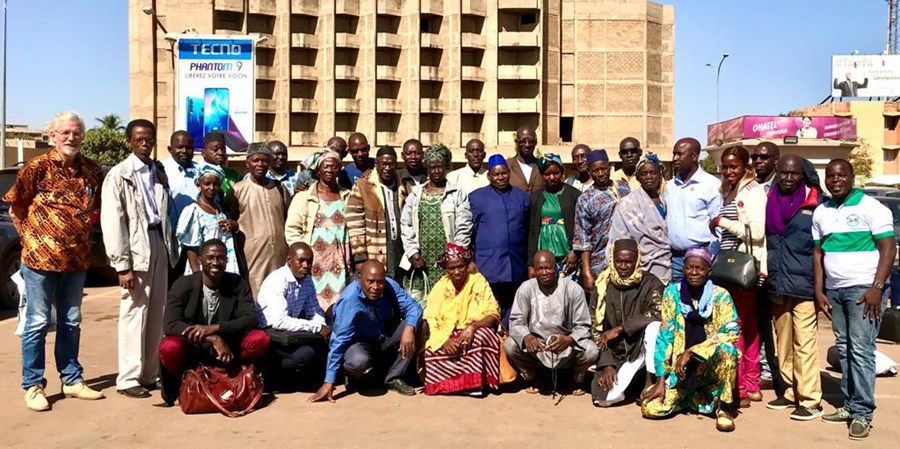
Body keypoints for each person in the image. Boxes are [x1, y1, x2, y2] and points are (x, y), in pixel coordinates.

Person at [5, 111, 105, 410]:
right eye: (64, 132)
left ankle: (72, 379)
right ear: (52, 136)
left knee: (71, 321)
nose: (71, 137)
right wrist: (32, 241)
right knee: (37, 323)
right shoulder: (35, 168)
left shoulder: (92, 170)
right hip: (39, 261)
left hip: (76, 260)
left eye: (76, 132)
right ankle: (33, 385)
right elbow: (16, 209)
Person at [813, 159, 896, 439]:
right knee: (845, 348)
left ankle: (862, 412)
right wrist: (819, 289)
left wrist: (877, 287)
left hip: (864, 290)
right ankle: (849, 405)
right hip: (835, 290)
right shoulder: (822, 212)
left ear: (852, 178)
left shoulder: (872, 208)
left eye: (841, 175)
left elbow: (888, 248)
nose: (835, 180)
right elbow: (818, 254)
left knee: (861, 350)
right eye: (831, 176)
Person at [102, 119, 179, 398]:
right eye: (139, 139)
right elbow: (114, 222)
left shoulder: (156, 171)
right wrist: (122, 265)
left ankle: (150, 373)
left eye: (150, 138)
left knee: (157, 311)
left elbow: (163, 209)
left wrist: (164, 184)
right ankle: (128, 378)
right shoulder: (119, 175)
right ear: (129, 141)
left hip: (158, 241)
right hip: (136, 247)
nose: (145, 143)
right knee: (135, 312)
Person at [158, 239, 271, 405]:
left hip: (229, 348)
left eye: (221, 258)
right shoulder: (183, 285)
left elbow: (250, 318)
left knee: (260, 339)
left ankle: (243, 379)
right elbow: (170, 324)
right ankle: (179, 386)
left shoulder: (237, 283)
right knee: (169, 347)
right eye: (210, 258)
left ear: (226, 260)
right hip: (194, 346)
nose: (215, 263)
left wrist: (217, 329)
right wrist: (212, 338)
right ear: (200, 259)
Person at [640, 248, 739, 432]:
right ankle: (692, 400)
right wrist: (661, 379)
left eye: (700, 269)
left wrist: (692, 351)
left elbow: (732, 332)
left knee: (728, 350)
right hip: (681, 373)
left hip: (709, 370)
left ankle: (723, 408)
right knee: (650, 408)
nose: (694, 273)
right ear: (683, 269)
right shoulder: (672, 293)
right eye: (689, 268)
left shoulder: (721, 295)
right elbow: (665, 337)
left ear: (709, 271)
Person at [308, 260, 423, 402]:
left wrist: (409, 328)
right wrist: (329, 381)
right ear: (360, 279)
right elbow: (339, 339)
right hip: (361, 344)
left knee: (419, 325)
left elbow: (414, 307)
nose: (375, 287)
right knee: (358, 361)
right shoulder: (350, 298)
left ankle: (393, 377)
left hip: (386, 337)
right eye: (370, 281)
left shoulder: (390, 286)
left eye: (380, 282)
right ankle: (352, 375)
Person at [764, 155, 825, 420]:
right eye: (784, 173)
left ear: (803, 174)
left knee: (805, 342)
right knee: (784, 342)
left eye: (795, 174)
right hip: (778, 282)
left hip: (804, 285)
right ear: (777, 172)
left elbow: (820, 250)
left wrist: (821, 288)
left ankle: (810, 399)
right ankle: (790, 391)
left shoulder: (816, 203)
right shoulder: (769, 200)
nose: (789, 179)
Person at [709, 145, 767, 408]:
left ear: (746, 166)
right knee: (749, 327)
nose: (728, 171)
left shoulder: (752, 192)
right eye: (725, 166)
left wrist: (721, 222)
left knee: (736, 326)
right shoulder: (730, 189)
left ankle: (740, 388)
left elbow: (755, 232)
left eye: (734, 166)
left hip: (742, 269)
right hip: (731, 267)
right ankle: (752, 384)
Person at [505, 251, 598, 395]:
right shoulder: (526, 289)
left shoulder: (573, 289)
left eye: (548, 268)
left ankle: (574, 379)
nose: (544, 272)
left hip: (565, 346)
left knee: (591, 350)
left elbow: (584, 325)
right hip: (537, 346)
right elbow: (516, 321)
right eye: (540, 269)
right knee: (510, 345)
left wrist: (570, 339)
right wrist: (527, 337)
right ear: (534, 271)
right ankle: (534, 378)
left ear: (556, 268)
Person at [592, 239, 665, 407]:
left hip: (640, 350)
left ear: (637, 261)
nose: (623, 266)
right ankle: (631, 384)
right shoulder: (603, 286)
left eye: (629, 262)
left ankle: (650, 380)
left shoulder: (651, 283)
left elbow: (657, 313)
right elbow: (596, 330)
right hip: (615, 354)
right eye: (619, 261)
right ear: (612, 260)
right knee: (603, 399)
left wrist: (620, 329)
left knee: (654, 328)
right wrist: (607, 365)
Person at [422, 243, 501, 396]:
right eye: (452, 268)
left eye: (460, 266)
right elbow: (430, 317)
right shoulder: (440, 286)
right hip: (446, 333)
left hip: (473, 329)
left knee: (481, 337)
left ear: (466, 265)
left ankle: (475, 385)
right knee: (431, 348)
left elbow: (493, 313)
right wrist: (443, 340)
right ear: (446, 269)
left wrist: (472, 328)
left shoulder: (478, 280)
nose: (457, 271)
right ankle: (449, 386)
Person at [400, 144, 472, 305]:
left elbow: (464, 226)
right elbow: (406, 224)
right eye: (433, 167)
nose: (437, 171)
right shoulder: (416, 194)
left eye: (440, 167)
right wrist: (413, 253)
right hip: (421, 262)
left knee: (449, 303)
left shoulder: (457, 193)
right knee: (420, 305)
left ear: (446, 167)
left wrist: (455, 256)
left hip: (448, 262)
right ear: (427, 169)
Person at [257, 242, 329, 390]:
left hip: (291, 332)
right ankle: (269, 377)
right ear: (289, 260)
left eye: (309, 261)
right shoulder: (277, 280)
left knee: (314, 349)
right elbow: (279, 321)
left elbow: (314, 310)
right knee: (301, 356)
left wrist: (322, 326)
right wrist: (316, 327)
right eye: (301, 260)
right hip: (272, 334)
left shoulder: (307, 280)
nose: (306, 265)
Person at [469, 155, 530, 327]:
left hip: (516, 261)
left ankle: (509, 337)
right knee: (490, 304)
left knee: (515, 305)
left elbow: (527, 227)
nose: (500, 177)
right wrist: (470, 259)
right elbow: (470, 232)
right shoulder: (476, 198)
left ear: (509, 173)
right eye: (496, 174)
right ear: (489, 176)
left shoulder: (522, 197)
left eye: (503, 173)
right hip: (489, 263)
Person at [285, 150, 350, 312]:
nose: (330, 170)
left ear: (339, 169)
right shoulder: (303, 198)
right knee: (312, 304)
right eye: (326, 167)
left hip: (339, 261)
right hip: (313, 260)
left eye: (334, 167)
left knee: (339, 304)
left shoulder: (347, 196)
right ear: (318, 170)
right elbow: (292, 229)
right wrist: (302, 255)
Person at [224, 142, 291, 299]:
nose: (260, 164)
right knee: (256, 297)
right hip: (252, 257)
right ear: (247, 163)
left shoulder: (279, 188)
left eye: (264, 161)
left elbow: (288, 219)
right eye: (256, 160)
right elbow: (231, 220)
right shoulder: (236, 190)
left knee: (280, 296)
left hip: (279, 256)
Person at [573, 149, 631, 302]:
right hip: (599, 264)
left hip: (626, 261)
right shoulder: (585, 199)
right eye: (595, 170)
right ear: (590, 172)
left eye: (603, 169)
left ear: (609, 167)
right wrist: (586, 272)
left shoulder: (623, 188)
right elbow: (582, 239)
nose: (600, 174)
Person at [347, 145, 410, 280]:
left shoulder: (403, 186)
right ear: (377, 164)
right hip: (375, 249)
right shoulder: (363, 187)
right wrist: (360, 256)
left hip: (399, 249)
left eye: (391, 165)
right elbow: (355, 223)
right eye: (384, 164)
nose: (387, 168)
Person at [664, 137, 722, 283]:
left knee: (701, 303)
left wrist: (710, 255)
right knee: (677, 302)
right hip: (675, 259)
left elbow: (719, 224)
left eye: (679, 154)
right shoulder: (670, 186)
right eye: (674, 154)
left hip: (701, 259)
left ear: (694, 156)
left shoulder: (711, 185)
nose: (674, 158)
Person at [608, 152, 671, 283]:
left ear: (660, 175)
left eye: (653, 173)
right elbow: (619, 238)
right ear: (638, 178)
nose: (649, 177)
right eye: (644, 174)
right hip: (640, 266)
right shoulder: (627, 204)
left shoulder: (667, 201)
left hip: (670, 265)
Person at [752, 141, 782, 395]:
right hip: (756, 264)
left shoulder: (783, 187)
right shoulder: (751, 188)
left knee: (781, 322)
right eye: (755, 157)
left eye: (763, 157)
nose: (758, 161)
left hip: (780, 264)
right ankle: (764, 369)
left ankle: (782, 373)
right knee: (760, 319)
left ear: (776, 159)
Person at [176, 165, 241, 276]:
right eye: (207, 184)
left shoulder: (220, 209)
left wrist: (233, 225)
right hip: (205, 270)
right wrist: (197, 275)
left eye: (216, 184)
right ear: (198, 184)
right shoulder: (193, 211)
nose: (211, 188)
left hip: (223, 267)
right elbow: (190, 248)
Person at [527, 153, 580, 278]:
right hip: (543, 259)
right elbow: (532, 231)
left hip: (568, 258)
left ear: (562, 173)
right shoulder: (535, 197)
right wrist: (530, 264)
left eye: (555, 173)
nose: (552, 177)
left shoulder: (574, 195)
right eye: (547, 174)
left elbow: (580, 226)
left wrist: (575, 251)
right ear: (541, 175)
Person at [161, 130, 200, 225]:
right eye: (180, 147)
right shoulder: (160, 170)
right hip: (171, 232)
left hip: (197, 231)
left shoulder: (201, 171)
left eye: (188, 148)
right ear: (170, 149)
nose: (184, 151)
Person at [506, 125, 544, 194]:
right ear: (516, 142)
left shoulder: (542, 166)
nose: (527, 145)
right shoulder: (507, 166)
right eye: (522, 141)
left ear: (535, 142)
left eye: (531, 141)